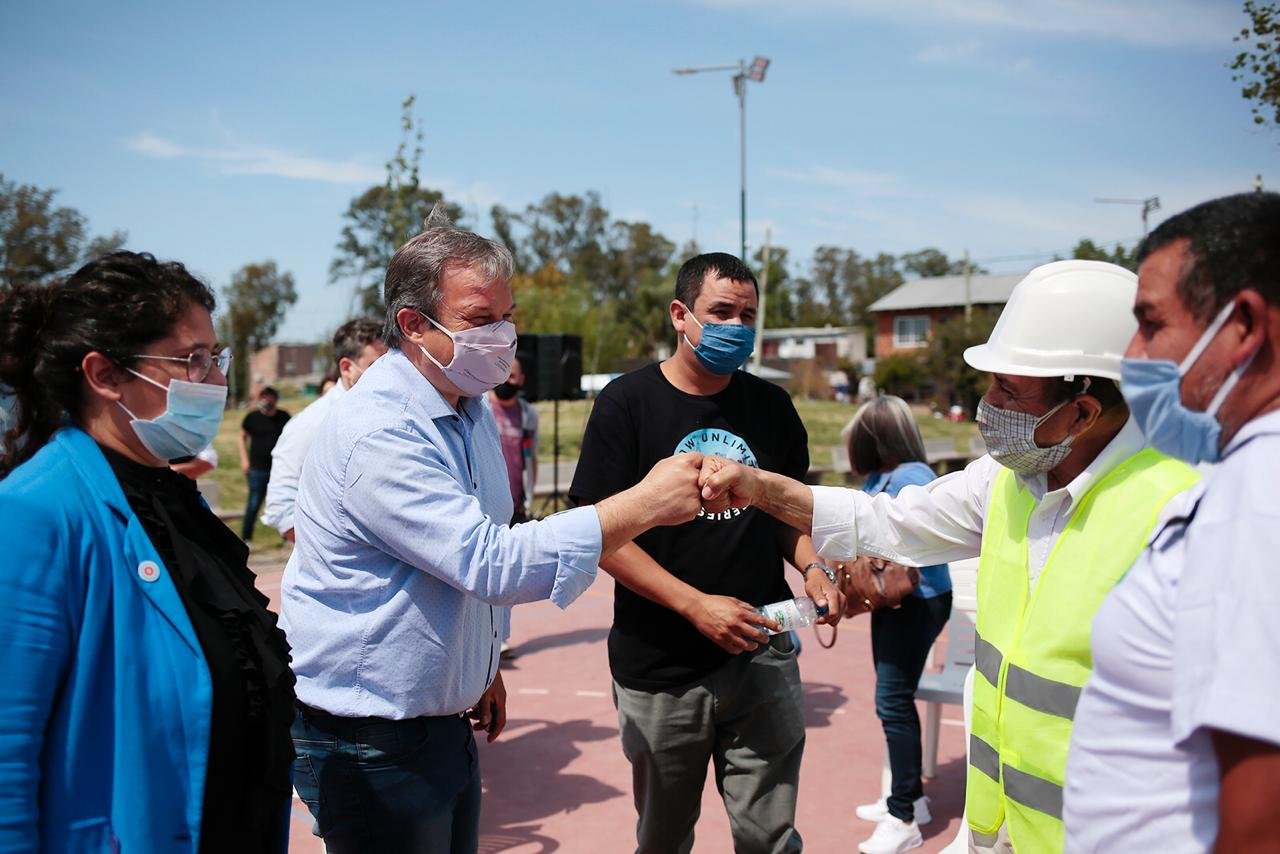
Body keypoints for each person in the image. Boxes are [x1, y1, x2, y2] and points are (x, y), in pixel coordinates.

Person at [698, 260, 1201, 854]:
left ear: (1083, 411)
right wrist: (759, 486)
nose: (988, 404)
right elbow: (887, 522)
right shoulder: (1009, 479)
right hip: (1003, 831)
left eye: (1009, 390)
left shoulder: (1186, 510)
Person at [280, 211, 707, 854]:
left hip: (438, 719)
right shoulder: (381, 430)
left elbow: (481, 544)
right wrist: (642, 505)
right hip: (371, 738)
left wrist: (481, 664)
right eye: (481, 321)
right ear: (414, 325)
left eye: (508, 316)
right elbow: (490, 561)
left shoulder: (468, 408)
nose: (503, 335)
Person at [0, 252, 295, 852]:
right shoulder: (35, 513)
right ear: (104, 375)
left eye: (217, 358)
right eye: (192, 360)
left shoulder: (177, 502)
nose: (215, 380)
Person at [569, 251, 845, 854]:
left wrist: (814, 567)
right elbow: (600, 534)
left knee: (770, 837)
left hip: (761, 652)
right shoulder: (626, 403)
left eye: (747, 315)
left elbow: (786, 512)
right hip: (661, 668)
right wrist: (695, 606)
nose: (736, 328)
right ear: (680, 314)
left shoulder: (771, 408)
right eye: (721, 312)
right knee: (664, 839)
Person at [1064, 193, 1280, 851]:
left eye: (1151, 324)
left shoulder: (1262, 488)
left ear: (1242, 325)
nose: (1132, 352)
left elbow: (1263, 810)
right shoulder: (1243, 473)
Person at [844, 396, 952, 853]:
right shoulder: (881, 476)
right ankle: (908, 798)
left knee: (892, 700)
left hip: (917, 600)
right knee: (894, 700)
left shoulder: (912, 477)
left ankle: (904, 814)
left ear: (875, 439)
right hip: (890, 601)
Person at [262, 317, 386, 542]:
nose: (389, 375)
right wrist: (336, 556)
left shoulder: (394, 413)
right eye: (378, 366)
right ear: (347, 368)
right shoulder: (311, 423)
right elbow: (282, 510)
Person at [486, 355, 538, 524]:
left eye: (512, 376)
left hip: (516, 507)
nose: (507, 380)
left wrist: (529, 494)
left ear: (521, 380)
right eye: (502, 373)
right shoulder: (479, 407)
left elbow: (530, 457)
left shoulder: (528, 415)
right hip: (485, 506)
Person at [238, 385, 289, 541]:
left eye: (270, 397)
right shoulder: (252, 417)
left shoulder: (283, 417)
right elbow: (241, 437)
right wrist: (244, 460)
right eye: (263, 397)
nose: (266, 400)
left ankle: (287, 537)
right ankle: (247, 539)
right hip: (257, 469)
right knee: (253, 505)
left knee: (283, 504)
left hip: (279, 469)